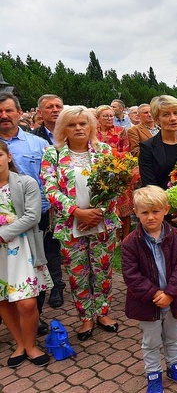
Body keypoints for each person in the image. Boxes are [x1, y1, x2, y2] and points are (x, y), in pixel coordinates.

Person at [40, 106, 121, 341]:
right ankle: (86, 317)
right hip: (70, 225)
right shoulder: (51, 154)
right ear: (62, 128)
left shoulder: (104, 151)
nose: (78, 128)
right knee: (78, 273)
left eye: (82, 124)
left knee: (102, 269)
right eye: (72, 124)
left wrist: (97, 213)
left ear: (91, 126)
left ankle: (103, 312)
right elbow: (50, 188)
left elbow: (115, 185)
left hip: (102, 222)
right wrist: (77, 212)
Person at [138, 95, 177, 338]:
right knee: (166, 265)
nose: (173, 118)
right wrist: (170, 211)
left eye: (176, 113)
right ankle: (170, 314)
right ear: (156, 119)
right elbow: (149, 184)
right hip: (162, 217)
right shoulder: (148, 148)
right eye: (166, 114)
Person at [122, 186, 177, 391]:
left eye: (156, 211)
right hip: (148, 303)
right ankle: (154, 375)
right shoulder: (131, 242)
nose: (151, 217)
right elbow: (131, 274)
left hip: (173, 300)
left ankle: (175, 366)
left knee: (173, 337)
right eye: (144, 212)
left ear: (166, 210)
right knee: (151, 341)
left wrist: (171, 293)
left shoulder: (176, 236)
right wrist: (155, 293)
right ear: (136, 212)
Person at [0, 141, 52, 368]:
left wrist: (3, 234)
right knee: (4, 300)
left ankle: (31, 344)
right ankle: (20, 343)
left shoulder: (25, 183)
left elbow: (33, 216)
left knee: (27, 303)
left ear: (8, 156)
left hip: (22, 250)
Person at [31, 94, 66, 309]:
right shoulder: (36, 139)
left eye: (58, 106)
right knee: (46, 247)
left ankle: (58, 286)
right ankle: (47, 288)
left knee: (57, 247)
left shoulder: (73, 132)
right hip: (45, 201)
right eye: (49, 107)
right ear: (40, 113)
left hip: (72, 201)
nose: (55, 110)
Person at [96, 105, 133, 240]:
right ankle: (115, 236)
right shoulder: (93, 133)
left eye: (111, 115)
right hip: (100, 173)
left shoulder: (120, 131)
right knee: (110, 205)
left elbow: (126, 150)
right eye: (105, 116)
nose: (109, 118)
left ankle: (127, 235)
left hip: (120, 171)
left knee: (125, 206)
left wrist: (113, 155)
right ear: (98, 118)